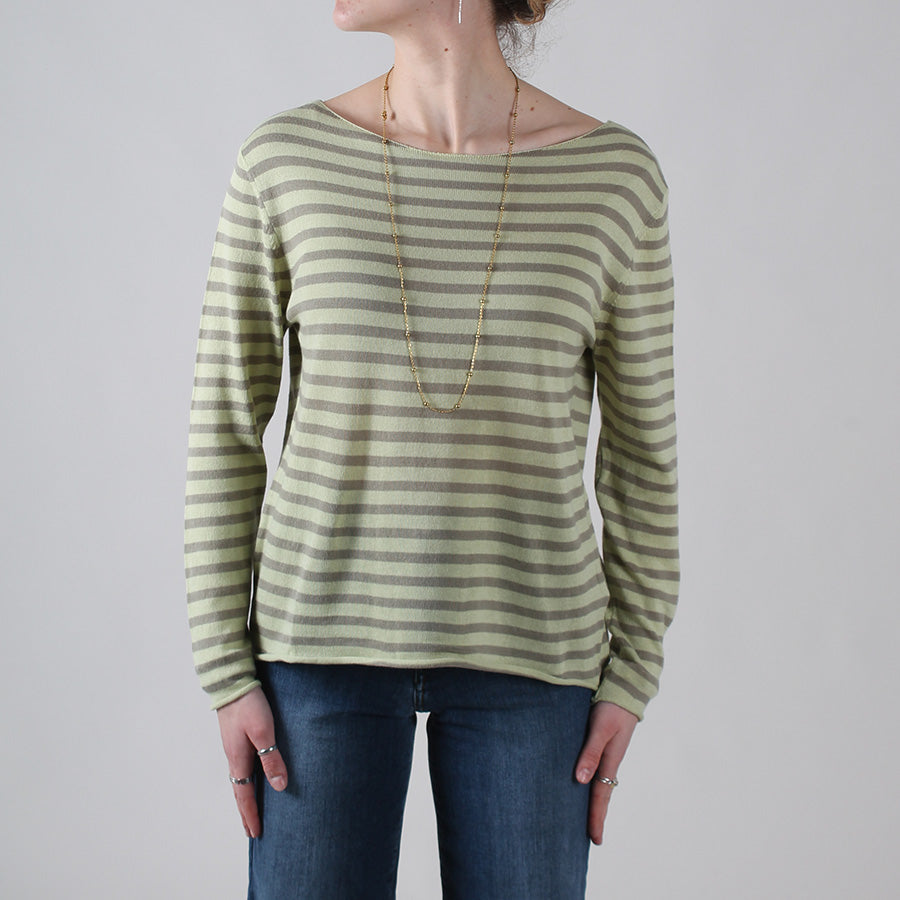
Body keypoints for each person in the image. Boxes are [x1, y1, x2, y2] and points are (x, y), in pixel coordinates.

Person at [184, 1, 680, 897]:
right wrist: (225, 665)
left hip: (536, 655)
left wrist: (632, 673)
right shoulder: (285, 160)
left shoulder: (613, 178)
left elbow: (642, 454)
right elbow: (225, 422)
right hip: (317, 651)